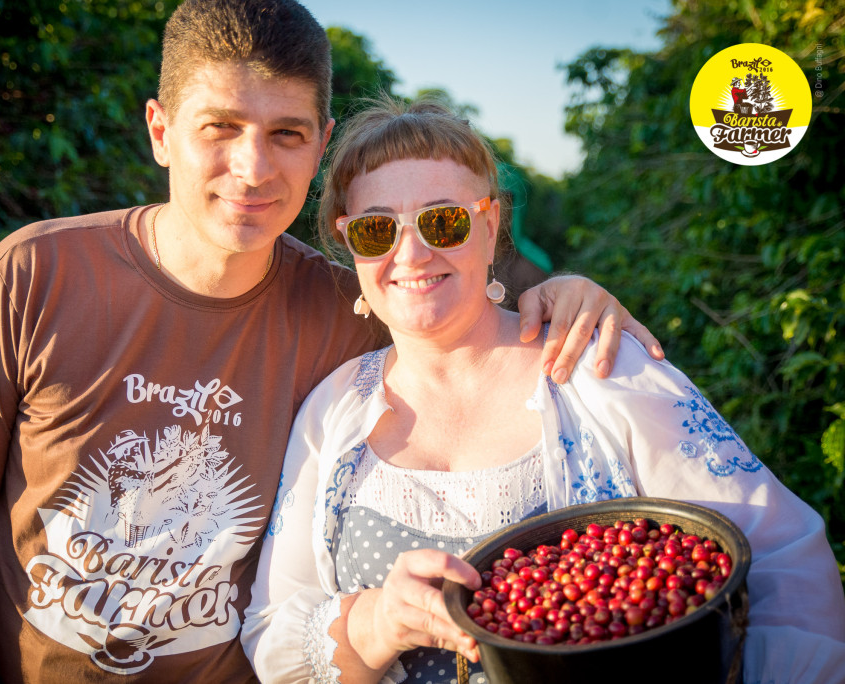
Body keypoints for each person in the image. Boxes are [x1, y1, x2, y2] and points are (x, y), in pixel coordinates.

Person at [0, 2, 662, 682]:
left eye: (286, 134)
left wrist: (556, 297)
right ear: (161, 131)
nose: (253, 169)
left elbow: (448, 304)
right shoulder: (34, 275)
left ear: (320, 142)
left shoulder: (344, 309)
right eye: (219, 129)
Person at [241, 96, 845, 684]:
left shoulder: (597, 364)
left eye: (443, 220)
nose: (412, 251)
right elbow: (271, 636)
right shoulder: (332, 413)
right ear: (349, 240)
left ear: (490, 221)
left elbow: (781, 554)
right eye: (377, 230)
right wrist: (374, 624)